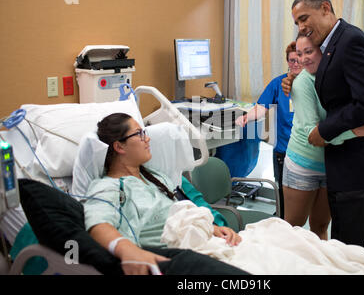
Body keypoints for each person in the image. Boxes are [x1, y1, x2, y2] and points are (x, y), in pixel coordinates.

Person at [282, 0, 364, 252]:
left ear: (325, 8)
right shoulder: (331, 47)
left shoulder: (350, 42)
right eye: (297, 23)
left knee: (354, 249)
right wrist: (294, 77)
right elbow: (325, 86)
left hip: (362, 165)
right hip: (339, 163)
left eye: (304, 18)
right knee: (344, 244)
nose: (301, 27)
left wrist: (325, 131)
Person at [83, 113, 245, 275]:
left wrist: (212, 229)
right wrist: (128, 251)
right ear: (119, 147)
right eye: (139, 134)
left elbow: (180, 217)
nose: (147, 139)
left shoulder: (156, 177)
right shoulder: (109, 187)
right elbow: (98, 224)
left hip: (204, 243)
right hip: (174, 258)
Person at [283, 33, 364, 240]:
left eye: (309, 51)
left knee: (320, 226)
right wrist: (354, 132)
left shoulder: (337, 78)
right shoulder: (302, 83)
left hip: (333, 163)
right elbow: (314, 134)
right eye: (299, 54)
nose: (303, 59)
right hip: (304, 162)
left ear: (324, 51)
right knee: (292, 227)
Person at [235, 41, 302, 218]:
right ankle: (282, 217)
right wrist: (246, 117)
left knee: (301, 194)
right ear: (287, 61)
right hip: (283, 149)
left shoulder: (313, 83)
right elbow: (261, 107)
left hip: (305, 150)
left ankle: (292, 219)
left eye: (299, 60)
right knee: (281, 188)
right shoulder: (278, 83)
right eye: (291, 60)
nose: (295, 64)